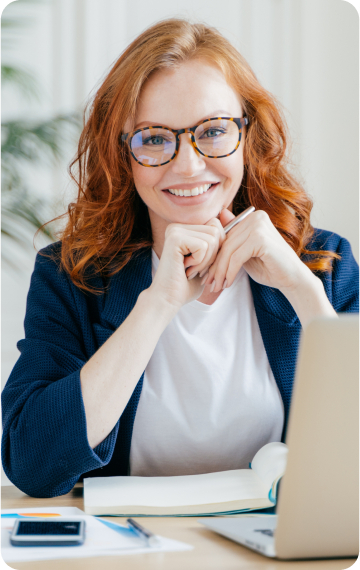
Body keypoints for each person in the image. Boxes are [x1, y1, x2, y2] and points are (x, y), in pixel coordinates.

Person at [1, 19, 360, 498]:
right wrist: (157, 303)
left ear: (247, 135)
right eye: (153, 139)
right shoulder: (71, 275)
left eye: (212, 131)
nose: (188, 165)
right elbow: (33, 465)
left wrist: (303, 292)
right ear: (121, 155)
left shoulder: (322, 263)